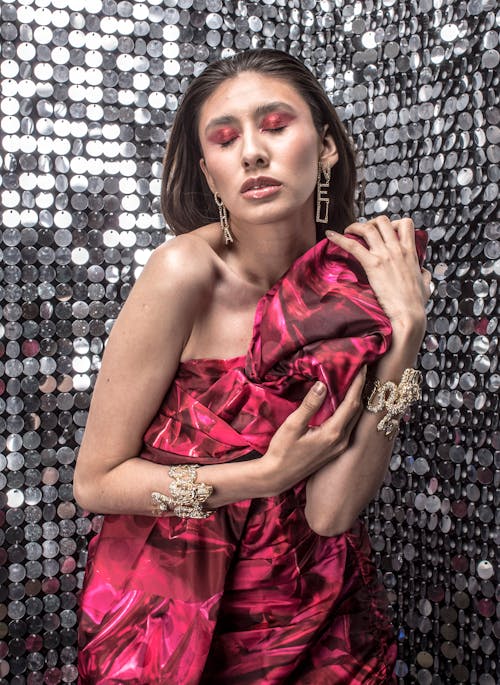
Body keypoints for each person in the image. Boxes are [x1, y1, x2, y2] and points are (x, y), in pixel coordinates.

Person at [74, 49, 431, 684]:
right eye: (225, 137)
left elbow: (331, 514)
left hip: (313, 610)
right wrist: (262, 477)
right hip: (173, 607)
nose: (252, 153)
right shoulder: (184, 272)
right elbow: (96, 483)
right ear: (211, 173)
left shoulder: (357, 278)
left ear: (324, 148)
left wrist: (405, 333)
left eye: (274, 124)